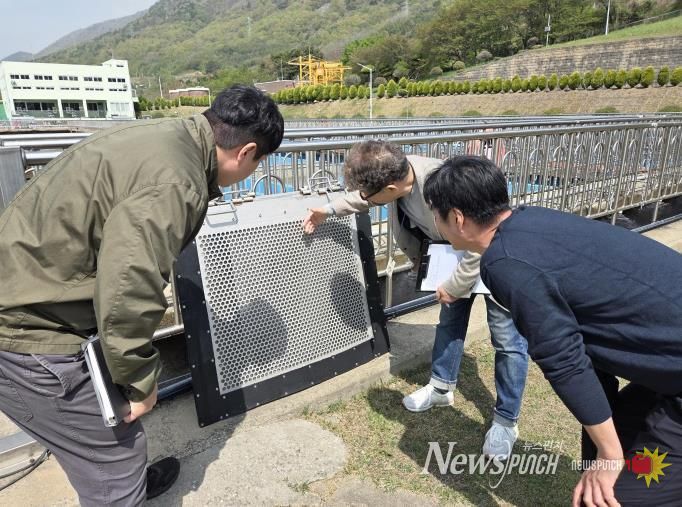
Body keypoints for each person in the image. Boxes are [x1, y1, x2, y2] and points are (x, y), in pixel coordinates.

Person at [0, 85, 284, 506]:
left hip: (30, 291)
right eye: (259, 162)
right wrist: (139, 381)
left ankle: (130, 481)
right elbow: (128, 290)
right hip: (27, 330)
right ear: (246, 152)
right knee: (115, 457)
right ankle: (122, 486)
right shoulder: (177, 182)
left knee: (103, 441)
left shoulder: (165, 137)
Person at [423, 155, 682, 506]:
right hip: (668, 364)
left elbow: (564, 359)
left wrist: (609, 455)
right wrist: (602, 449)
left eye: (435, 213)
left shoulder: (505, 262)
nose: (434, 222)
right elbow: (587, 342)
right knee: (613, 437)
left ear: (457, 218)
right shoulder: (533, 220)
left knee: (611, 498)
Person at [303, 140, 529, 460]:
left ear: (391, 188)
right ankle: (441, 388)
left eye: (370, 195)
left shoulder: (443, 183)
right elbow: (364, 198)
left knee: (507, 339)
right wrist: (326, 211)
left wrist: (455, 284)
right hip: (450, 255)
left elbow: (483, 239)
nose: (366, 200)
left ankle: (506, 421)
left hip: (494, 256)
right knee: (449, 323)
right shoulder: (395, 174)